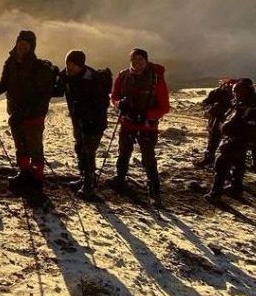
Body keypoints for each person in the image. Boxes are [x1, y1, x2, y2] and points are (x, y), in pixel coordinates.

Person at [0, 30, 57, 194]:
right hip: (17, 114)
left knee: (35, 148)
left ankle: (37, 179)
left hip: (33, 116)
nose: (22, 47)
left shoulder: (38, 67)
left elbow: (42, 96)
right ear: (16, 44)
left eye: (26, 45)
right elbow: (3, 84)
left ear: (32, 47)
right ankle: (25, 174)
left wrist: (25, 111)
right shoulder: (10, 63)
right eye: (20, 44)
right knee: (22, 147)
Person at [205, 78, 256, 202]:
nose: (235, 95)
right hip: (252, 138)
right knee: (239, 160)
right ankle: (236, 188)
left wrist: (225, 127)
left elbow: (232, 123)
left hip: (242, 136)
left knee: (221, 161)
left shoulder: (249, 105)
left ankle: (216, 193)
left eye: (237, 93)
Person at [107, 48, 170, 208]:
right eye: (134, 59)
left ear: (146, 61)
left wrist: (148, 115)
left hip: (147, 126)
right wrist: (119, 104)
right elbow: (114, 96)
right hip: (127, 123)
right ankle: (120, 179)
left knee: (148, 157)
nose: (137, 62)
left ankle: (154, 192)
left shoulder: (156, 78)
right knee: (124, 152)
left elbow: (164, 106)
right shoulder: (123, 76)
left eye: (140, 59)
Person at [53, 50, 111, 201]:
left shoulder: (92, 79)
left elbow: (103, 104)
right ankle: (83, 177)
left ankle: (89, 185)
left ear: (81, 65)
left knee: (88, 152)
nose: (69, 67)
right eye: (67, 63)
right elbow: (57, 91)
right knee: (80, 149)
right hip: (79, 122)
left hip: (94, 123)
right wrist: (51, 76)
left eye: (72, 65)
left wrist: (90, 119)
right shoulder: (65, 76)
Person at [197, 79, 236, 169]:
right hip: (217, 121)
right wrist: (211, 108)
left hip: (229, 123)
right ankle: (211, 159)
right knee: (214, 140)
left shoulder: (240, 94)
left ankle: (218, 162)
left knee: (221, 142)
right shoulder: (217, 92)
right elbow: (206, 103)